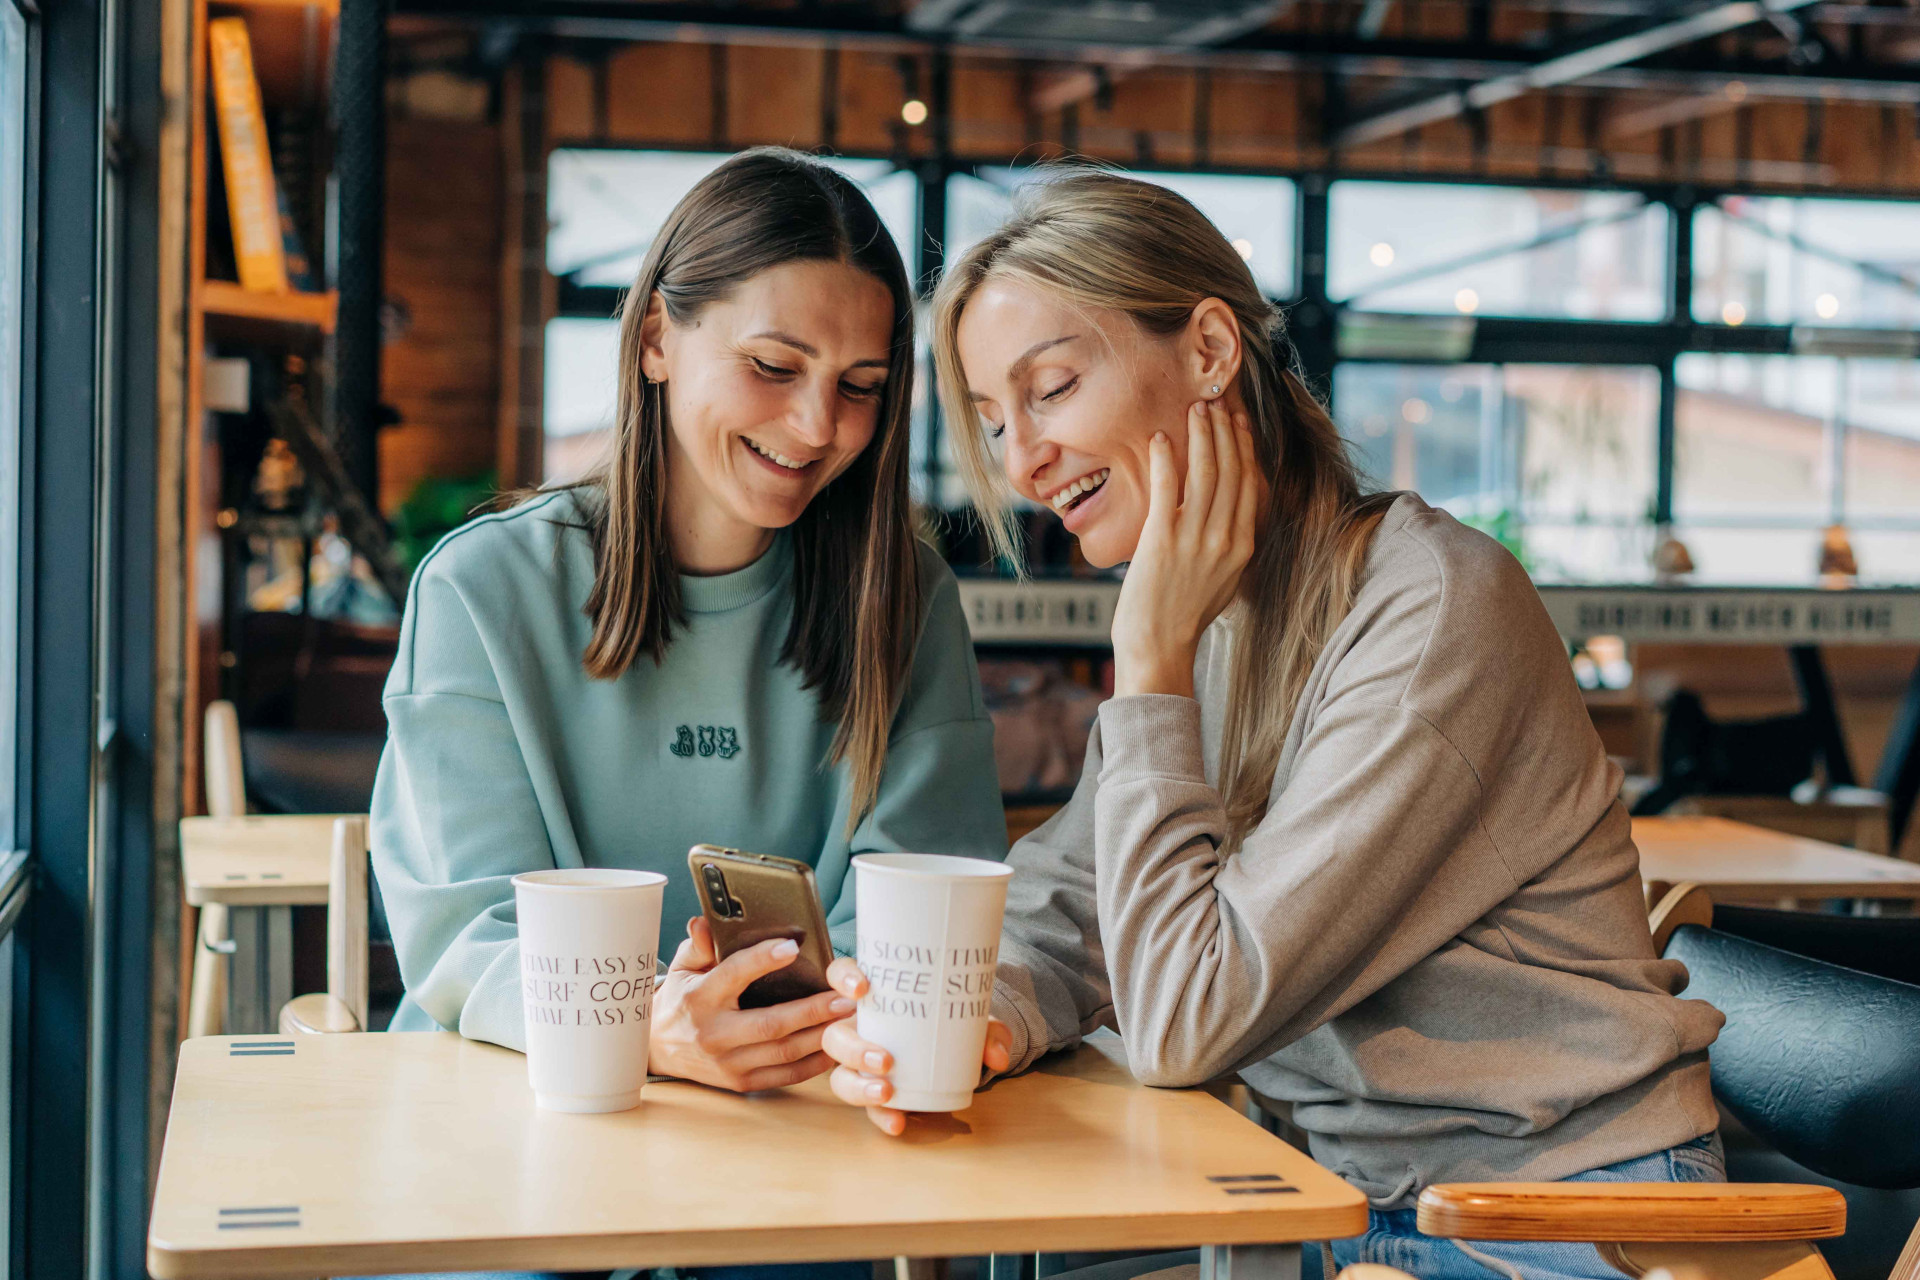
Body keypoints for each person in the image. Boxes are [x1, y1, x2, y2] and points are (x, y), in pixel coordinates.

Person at [820, 169, 1726, 1280]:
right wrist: (989, 1014)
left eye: (1049, 389)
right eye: (996, 422)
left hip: (1563, 1215)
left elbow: (1187, 1017)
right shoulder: (1218, 608)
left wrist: (1147, 665)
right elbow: (1076, 902)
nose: (1020, 462)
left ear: (1208, 350)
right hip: (1346, 1200)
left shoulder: (1429, 608)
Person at [371, 148, 1006, 1280]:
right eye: (773, 364)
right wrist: (646, 1033)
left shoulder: (903, 600)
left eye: (861, 384)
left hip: (795, 1162)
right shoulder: (480, 588)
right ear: (657, 338)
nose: (818, 425)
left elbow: (917, 925)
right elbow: (464, 938)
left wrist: (776, 1035)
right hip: (514, 1154)